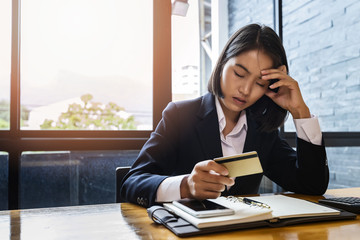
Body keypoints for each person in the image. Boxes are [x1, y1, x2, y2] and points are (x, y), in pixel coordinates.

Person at [120, 23, 329, 208]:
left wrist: (300, 112)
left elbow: (312, 185)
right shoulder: (180, 116)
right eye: (239, 74)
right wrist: (185, 186)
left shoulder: (261, 131)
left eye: (259, 83)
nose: (245, 90)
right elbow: (132, 183)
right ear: (222, 63)